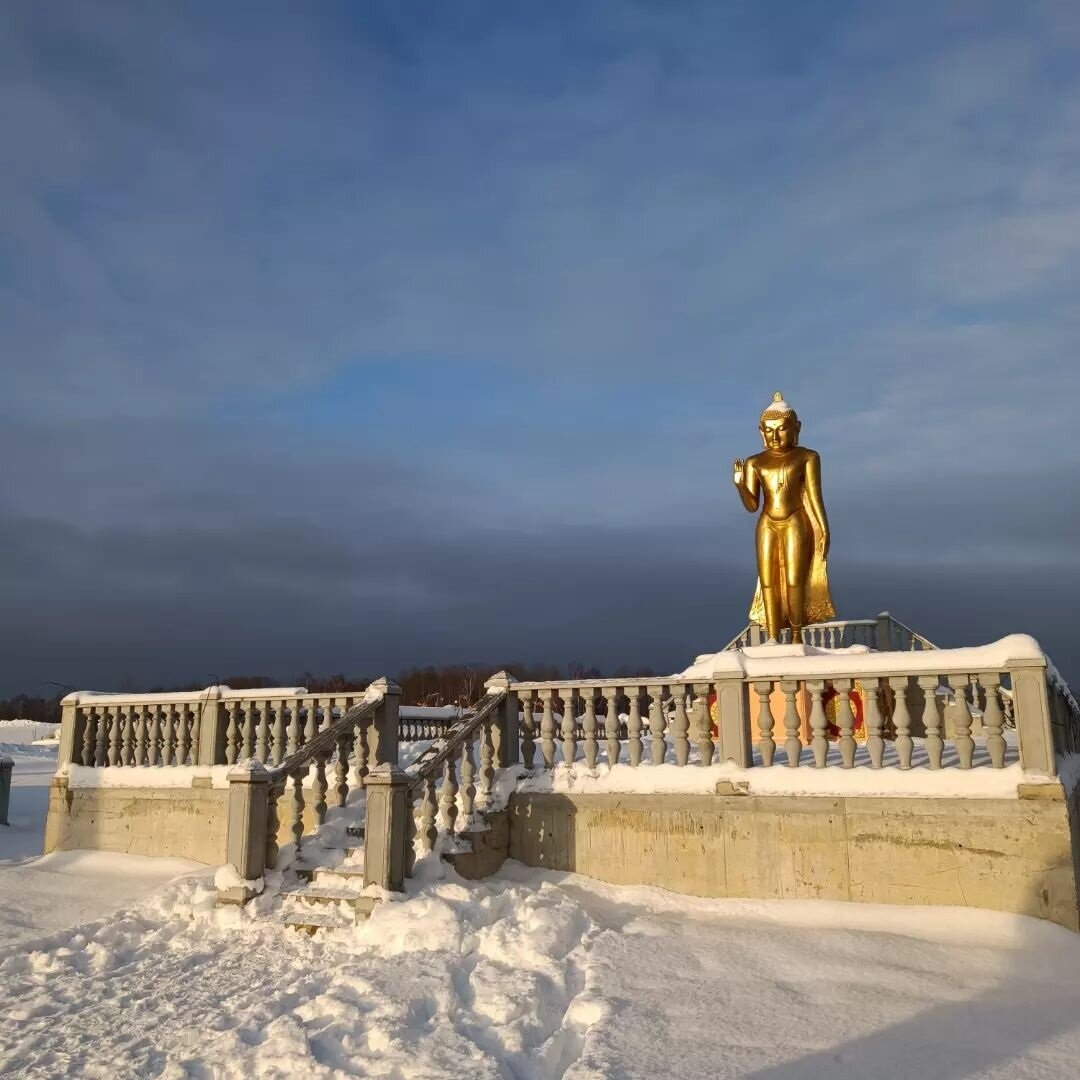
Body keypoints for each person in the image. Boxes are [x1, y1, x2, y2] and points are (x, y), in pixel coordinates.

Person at [732, 392, 835, 643]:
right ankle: (772, 636)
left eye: (781, 429)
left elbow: (814, 497)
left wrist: (824, 529)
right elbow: (752, 505)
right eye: (769, 431)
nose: (775, 437)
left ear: (796, 429)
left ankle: (797, 636)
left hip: (795, 521)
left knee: (793, 579)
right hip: (767, 522)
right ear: (760, 432)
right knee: (767, 580)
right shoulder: (755, 462)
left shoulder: (807, 457)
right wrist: (739, 485)